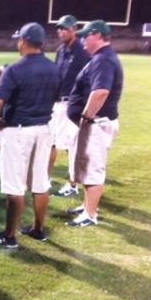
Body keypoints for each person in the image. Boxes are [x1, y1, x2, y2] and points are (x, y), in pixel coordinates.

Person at [0, 22, 59, 248]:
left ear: (23, 41)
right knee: (40, 183)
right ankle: (38, 229)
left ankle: (10, 236)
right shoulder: (53, 67)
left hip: (18, 131)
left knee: (15, 187)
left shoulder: (15, 69)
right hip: (44, 129)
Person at [65, 20, 123, 226]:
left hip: (96, 125)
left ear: (97, 35)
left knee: (93, 169)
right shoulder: (101, 57)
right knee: (86, 166)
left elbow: (101, 91)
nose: (82, 41)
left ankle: (90, 214)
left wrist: (86, 116)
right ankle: (87, 206)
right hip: (95, 124)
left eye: (85, 36)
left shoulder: (103, 59)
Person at [49, 15, 91, 197]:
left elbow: (88, 79)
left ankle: (73, 184)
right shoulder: (61, 50)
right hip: (57, 104)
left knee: (72, 145)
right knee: (51, 142)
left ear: (75, 29)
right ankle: (46, 178)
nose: (61, 31)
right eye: (59, 28)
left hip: (72, 104)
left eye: (64, 28)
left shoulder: (82, 50)